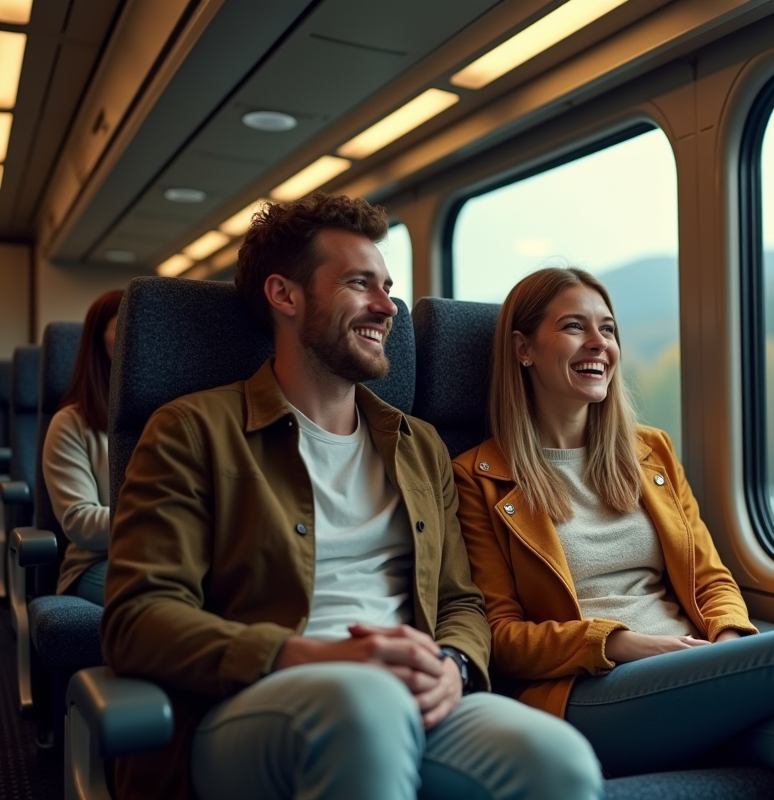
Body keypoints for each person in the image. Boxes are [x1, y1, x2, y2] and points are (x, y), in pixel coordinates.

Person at [101, 196, 603, 800]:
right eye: (359, 284)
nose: (387, 307)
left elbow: (460, 602)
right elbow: (138, 620)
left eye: (387, 287)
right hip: (245, 702)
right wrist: (307, 654)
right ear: (284, 296)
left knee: (558, 761)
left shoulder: (419, 445)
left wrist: (456, 666)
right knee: (362, 709)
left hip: (409, 694)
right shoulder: (190, 430)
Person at [453, 266, 774, 800]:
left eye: (609, 329)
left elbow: (712, 578)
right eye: (575, 327)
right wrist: (624, 644)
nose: (599, 344)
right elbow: (500, 637)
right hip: (584, 691)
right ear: (523, 348)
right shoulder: (476, 477)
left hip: (689, 666)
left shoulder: (651, 453)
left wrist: (726, 642)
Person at [46, 289, 122, 605]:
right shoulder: (70, 423)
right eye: (125, 328)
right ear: (99, 340)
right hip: (97, 563)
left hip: (176, 556)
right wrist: (158, 517)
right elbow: (79, 520)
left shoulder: (176, 413)